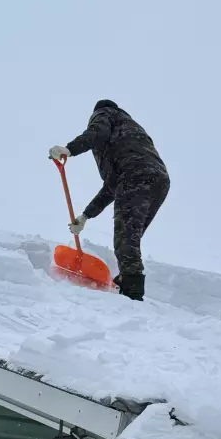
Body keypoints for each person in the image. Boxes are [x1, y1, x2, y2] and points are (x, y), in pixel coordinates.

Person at [49, 100, 170, 301]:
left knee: (126, 239)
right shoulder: (129, 132)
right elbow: (111, 187)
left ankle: (131, 295)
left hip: (134, 175)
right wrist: (85, 216)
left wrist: (69, 149)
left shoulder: (105, 113)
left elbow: (97, 134)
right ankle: (127, 280)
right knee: (129, 237)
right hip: (159, 181)